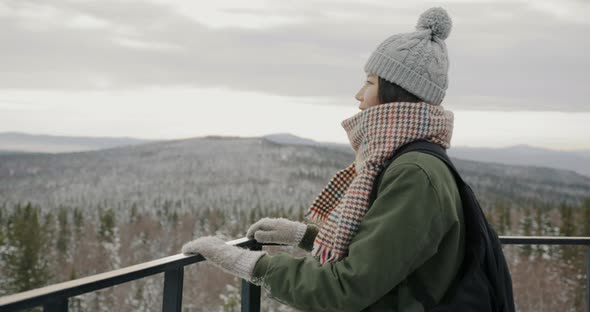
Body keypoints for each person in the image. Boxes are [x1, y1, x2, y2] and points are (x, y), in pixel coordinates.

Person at [182, 7, 464, 311]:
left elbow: (345, 288)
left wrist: (248, 263)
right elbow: (381, 253)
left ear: (396, 91)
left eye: (369, 83)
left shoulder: (414, 174)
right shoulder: (408, 160)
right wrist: (305, 236)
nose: (358, 95)